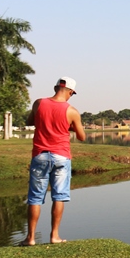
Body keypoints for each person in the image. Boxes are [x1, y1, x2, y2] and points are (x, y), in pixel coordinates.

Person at [19, 77, 86, 246]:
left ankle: (31, 238)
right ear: (70, 92)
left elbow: (29, 122)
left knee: (35, 198)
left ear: (56, 87)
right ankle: (54, 236)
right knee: (59, 196)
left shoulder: (38, 103)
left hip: (40, 154)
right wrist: (69, 126)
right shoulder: (72, 111)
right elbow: (82, 136)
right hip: (61, 156)